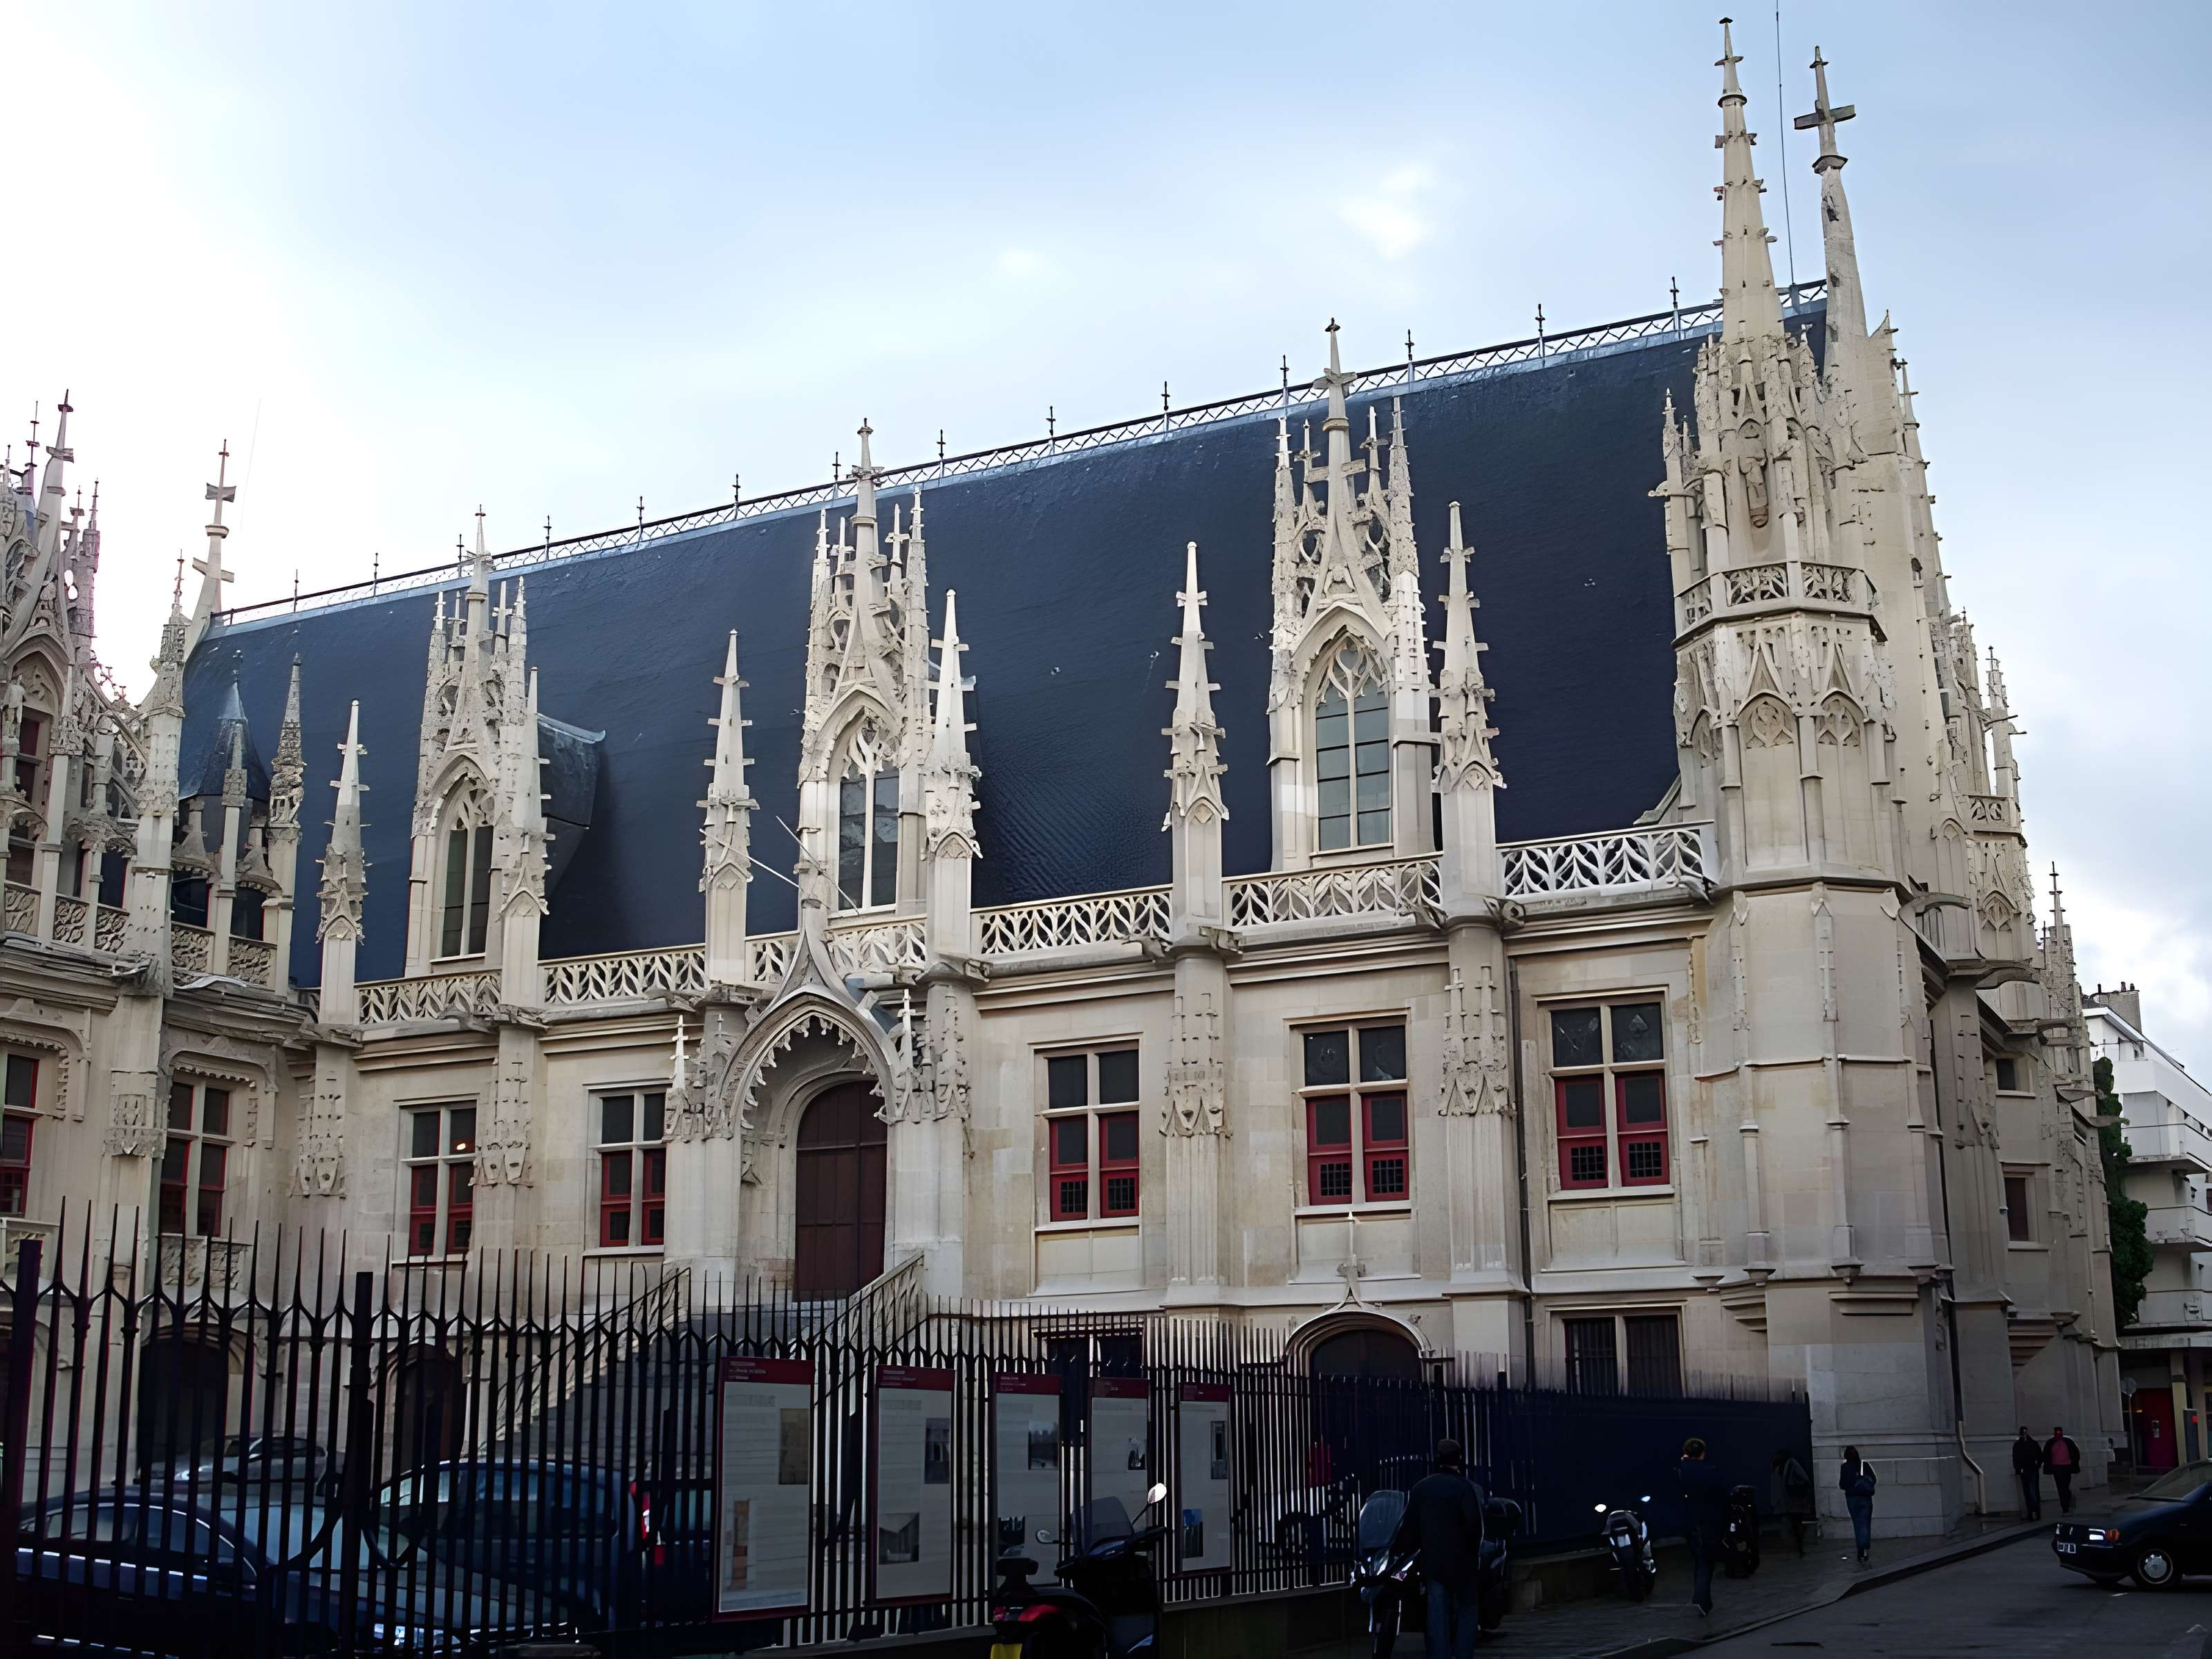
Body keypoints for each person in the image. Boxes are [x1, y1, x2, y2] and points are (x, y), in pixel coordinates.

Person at [1392, 1437, 1485, 1659]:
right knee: (1467, 1609)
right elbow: (1475, 1526)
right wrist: (1473, 1556)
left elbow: (1409, 1529)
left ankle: (1439, 1655)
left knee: (1436, 1612)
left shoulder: (1421, 1488)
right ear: (1459, 1459)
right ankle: (1463, 1654)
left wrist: (1400, 1553)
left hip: (1433, 1561)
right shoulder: (1465, 1487)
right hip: (1462, 1561)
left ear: (1437, 1459)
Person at [1678, 1437, 1729, 1615]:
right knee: (1706, 1562)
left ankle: (1701, 1598)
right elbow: (1722, 1499)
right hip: (1709, 1524)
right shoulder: (1711, 1472)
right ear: (1703, 1453)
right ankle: (1702, 1600)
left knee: (1699, 1560)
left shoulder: (1680, 1472)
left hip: (1690, 1523)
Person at [1770, 1447, 1815, 1555]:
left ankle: (1796, 1546)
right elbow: (1804, 1476)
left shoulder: (1776, 1468)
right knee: (1798, 1523)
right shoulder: (1792, 1463)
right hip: (1796, 1499)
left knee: (1793, 1524)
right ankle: (1800, 1548)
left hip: (1787, 1500)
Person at [1838, 1446, 1877, 1564]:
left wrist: (1851, 1486)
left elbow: (1842, 1484)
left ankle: (1860, 1550)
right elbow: (1874, 1479)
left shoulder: (1844, 1467)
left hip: (1852, 1498)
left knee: (1857, 1524)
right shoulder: (1864, 1465)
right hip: (1865, 1497)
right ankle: (1865, 1550)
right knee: (1865, 1523)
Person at [2043, 1425, 2083, 1515]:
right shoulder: (2051, 1443)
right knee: (2061, 1488)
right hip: (2057, 1468)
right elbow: (2046, 1455)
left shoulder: (2067, 1442)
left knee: (2065, 1486)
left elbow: (2076, 1454)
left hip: (2067, 1467)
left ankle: (2067, 1501)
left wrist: (2074, 1464)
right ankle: (2064, 1506)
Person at [2012, 1427, 2044, 1521]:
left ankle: (2034, 1511)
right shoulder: (2031, 1444)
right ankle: (2034, 1511)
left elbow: (2016, 1458)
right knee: (2031, 1491)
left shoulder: (2020, 1445)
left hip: (2029, 1469)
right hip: (2028, 1469)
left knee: (2030, 1491)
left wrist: (2038, 1465)